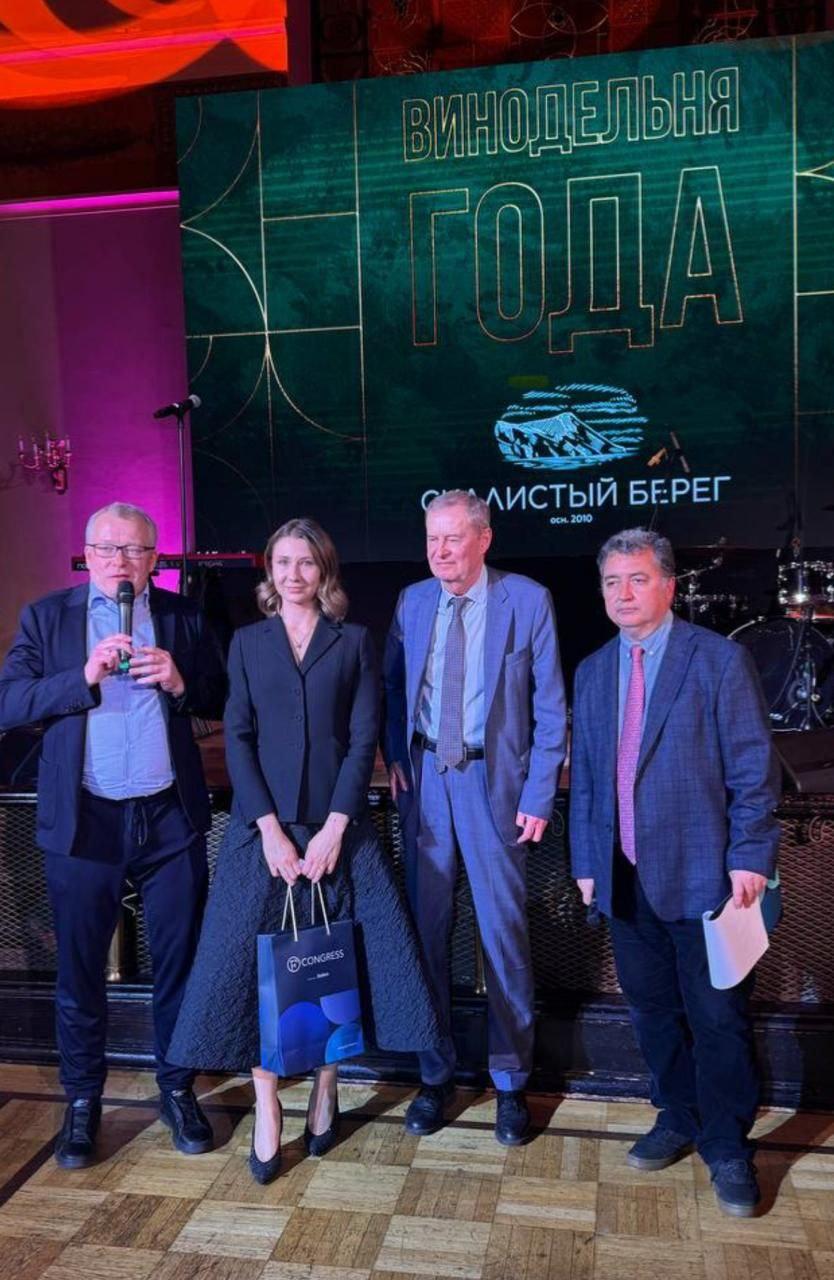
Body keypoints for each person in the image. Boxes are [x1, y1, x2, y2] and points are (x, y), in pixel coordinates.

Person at [167, 517, 441, 1184]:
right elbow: (237, 737)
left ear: (325, 571)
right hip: (262, 835)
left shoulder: (354, 641)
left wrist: (335, 827)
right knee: (250, 971)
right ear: (269, 572)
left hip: (337, 832)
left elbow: (363, 739)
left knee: (331, 964)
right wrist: (269, 829)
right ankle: (267, 1104)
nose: (294, 574)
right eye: (283, 562)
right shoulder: (248, 643)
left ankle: (326, 1083)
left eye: (306, 562)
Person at [0, 502, 227, 1168]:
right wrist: (83, 677)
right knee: (79, 972)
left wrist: (181, 682)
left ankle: (177, 1087)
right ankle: (82, 1100)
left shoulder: (183, 616)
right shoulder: (48, 618)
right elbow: (9, 702)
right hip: (85, 819)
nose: (120, 562)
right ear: (87, 554)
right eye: (107, 549)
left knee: (179, 963)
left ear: (154, 559)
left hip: (168, 817)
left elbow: (221, 694)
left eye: (134, 551)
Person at [569, 527, 780, 1217]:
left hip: (706, 877)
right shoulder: (593, 671)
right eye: (611, 582)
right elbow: (590, 780)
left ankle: (727, 1144)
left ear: (668, 584)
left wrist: (749, 853)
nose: (623, 594)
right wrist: (586, 863)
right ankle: (678, 1114)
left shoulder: (717, 660)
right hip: (624, 877)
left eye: (637, 579)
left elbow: (752, 769)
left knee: (717, 1019)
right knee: (653, 1013)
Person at [383, 490, 566, 1145]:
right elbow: (392, 686)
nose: (439, 552)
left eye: (452, 538)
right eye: (431, 539)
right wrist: (395, 756)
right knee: (426, 933)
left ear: (484, 539)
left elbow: (551, 708)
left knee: (503, 937)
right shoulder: (412, 601)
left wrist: (538, 793)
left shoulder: (528, 601)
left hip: (497, 785)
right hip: (427, 781)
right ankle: (435, 1076)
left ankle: (511, 1083)